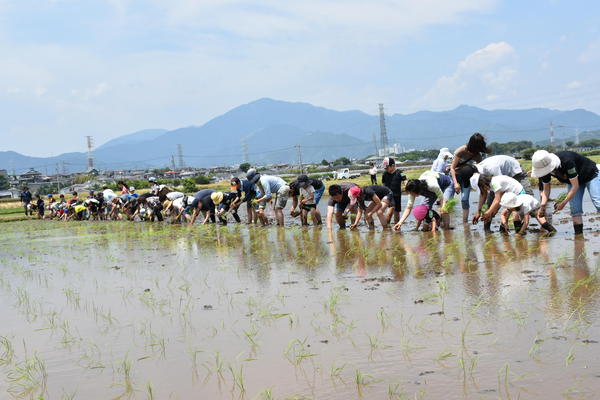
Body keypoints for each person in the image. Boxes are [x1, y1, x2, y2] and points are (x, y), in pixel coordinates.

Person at [531, 150, 600, 235]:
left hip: (590, 175)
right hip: (573, 181)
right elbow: (546, 189)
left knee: (598, 203)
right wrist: (542, 206)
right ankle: (578, 239)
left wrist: (563, 203)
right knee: (575, 209)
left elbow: (575, 186)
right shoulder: (544, 170)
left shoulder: (567, 161)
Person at [450, 133, 491, 222]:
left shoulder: (478, 156)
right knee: (448, 199)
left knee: (464, 200)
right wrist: (456, 183)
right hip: (455, 176)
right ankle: (445, 221)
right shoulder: (461, 150)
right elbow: (452, 168)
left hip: (466, 178)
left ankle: (465, 222)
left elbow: (481, 170)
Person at [381, 157, 407, 225]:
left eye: (387, 168)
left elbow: (405, 180)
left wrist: (407, 187)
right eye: (385, 168)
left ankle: (397, 228)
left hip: (397, 195)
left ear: (393, 166)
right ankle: (386, 228)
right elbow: (383, 184)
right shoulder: (384, 174)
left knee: (397, 212)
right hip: (389, 195)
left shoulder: (400, 172)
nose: (386, 169)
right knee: (389, 212)